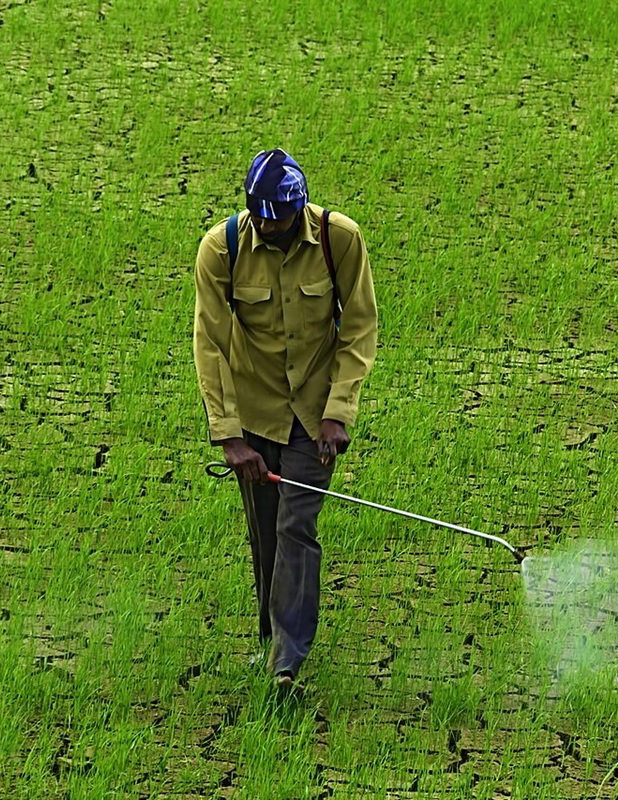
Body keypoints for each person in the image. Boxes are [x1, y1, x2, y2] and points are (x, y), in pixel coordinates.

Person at [193, 148, 377, 690]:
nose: (267, 225)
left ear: (299, 209)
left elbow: (359, 327)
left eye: (278, 217)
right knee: (266, 535)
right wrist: (228, 436)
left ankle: (286, 662)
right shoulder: (221, 249)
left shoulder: (340, 240)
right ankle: (271, 638)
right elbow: (210, 344)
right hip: (254, 415)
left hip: (314, 417)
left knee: (296, 525)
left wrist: (339, 412)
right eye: (259, 215)